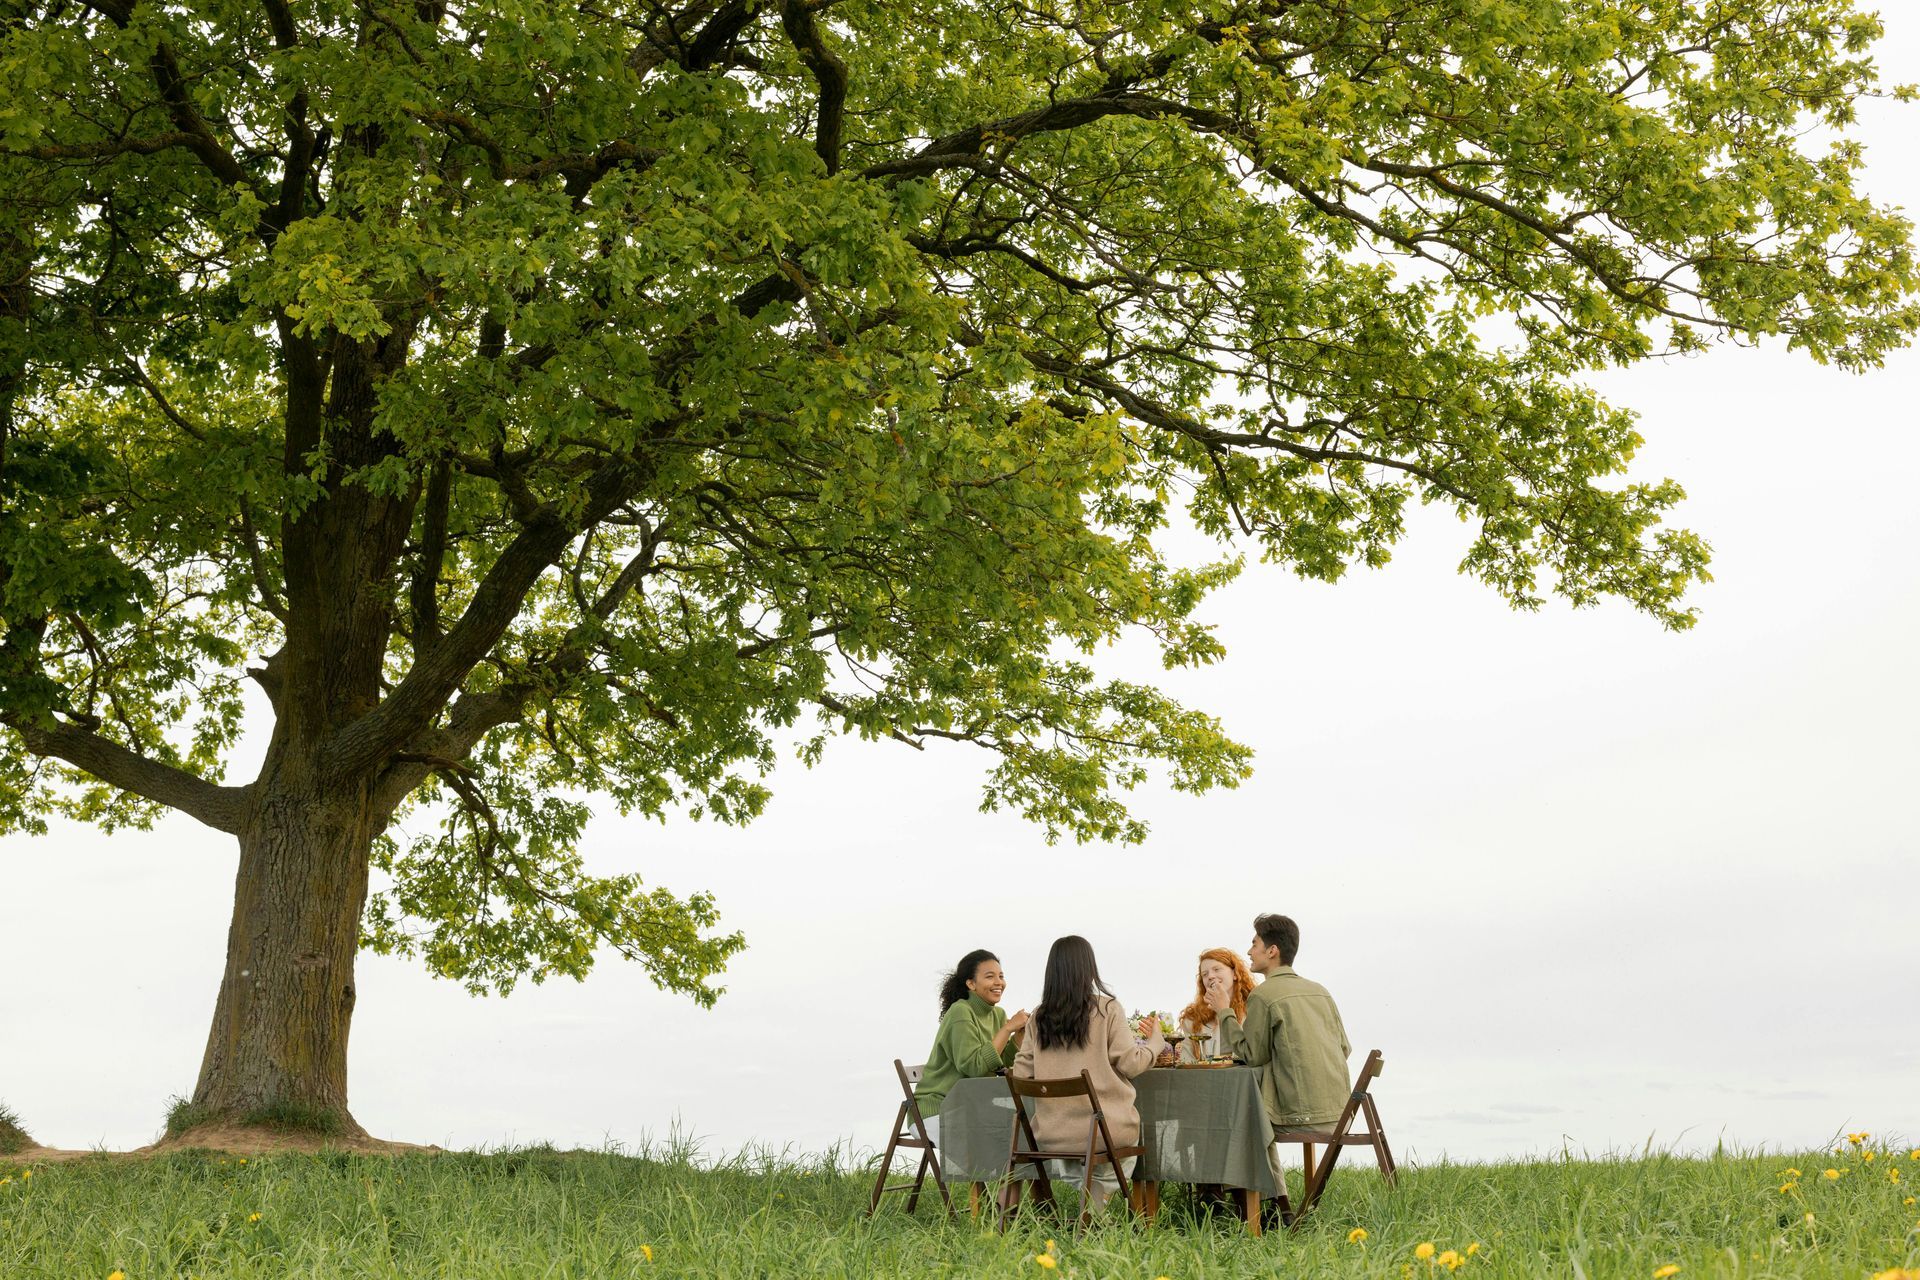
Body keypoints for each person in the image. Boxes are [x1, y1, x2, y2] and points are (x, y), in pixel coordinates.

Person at [1204, 913, 1351, 1222]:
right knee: (1253, 1112)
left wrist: (1225, 1012)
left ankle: (1263, 1211)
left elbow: (1251, 1054)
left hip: (1302, 1115)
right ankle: (1271, 1208)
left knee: (1247, 1119)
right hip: (1340, 1113)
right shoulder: (1320, 991)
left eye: (1254, 943)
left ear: (1272, 951)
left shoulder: (1264, 995)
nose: (1248, 951)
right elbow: (1345, 1049)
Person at [1012, 935, 1163, 1210]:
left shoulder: (1039, 1016)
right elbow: (1131, 1064)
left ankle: (1090, 1196)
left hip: (1052, 1133)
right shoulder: (1107, 1009)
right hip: (1104, 1132)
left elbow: (1021, 1075)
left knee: (1080, 1145)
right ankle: (1098, 1197)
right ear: (1089, 968)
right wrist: (1155, 1044)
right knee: (1127, 1139)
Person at [913, 949, 1029, 1139]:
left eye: (1001, 976)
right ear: (971, 983)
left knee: (1026, 1127)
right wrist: (1007, 1029)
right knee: (1001, 1139)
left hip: (973, 1107)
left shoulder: (997, 1014)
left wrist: (1018, 1035)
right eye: (990, 977)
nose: (999, 982)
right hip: (940, 1108)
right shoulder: (960, 1012)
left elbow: (1001, 1065)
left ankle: (1019, 1170)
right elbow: (974, 1068)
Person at [1176, 947, 1254, 1061]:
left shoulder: (1254, 1007)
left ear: (1235, 974)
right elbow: (1187, 1060)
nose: (1211, 976)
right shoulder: (1192, 1018)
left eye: (1217, 969)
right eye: (1205, 974)